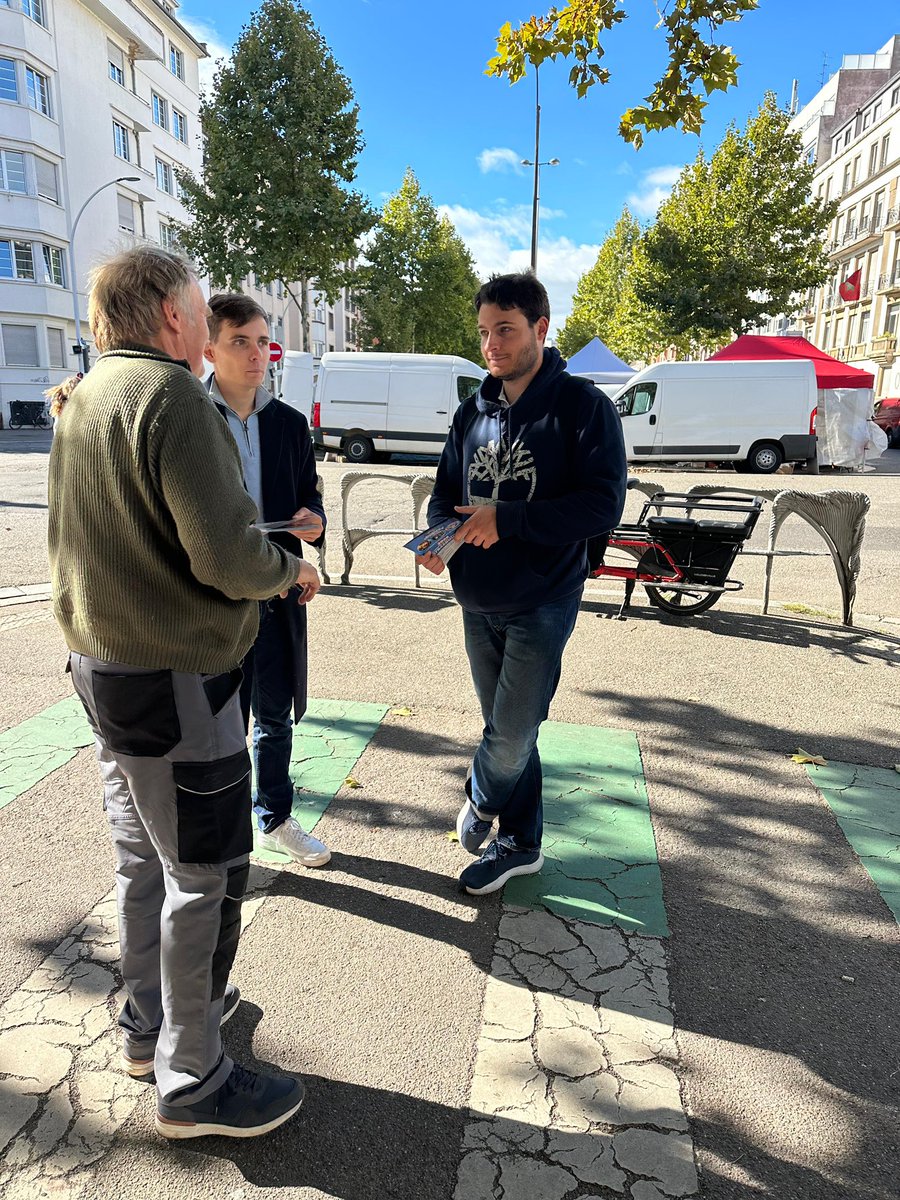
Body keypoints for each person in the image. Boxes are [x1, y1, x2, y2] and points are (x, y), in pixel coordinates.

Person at [47, 246, 317, 1140]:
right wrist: (287, 569)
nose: (207, 324)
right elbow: (224, 555)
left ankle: (149, 1025)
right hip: (178, 681)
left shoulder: (85, 398)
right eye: (201, 309)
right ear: (172, 314)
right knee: (207, 875)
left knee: (142, 862)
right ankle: (193, 1078)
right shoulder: (171, 398)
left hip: (103, 673)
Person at [419, 273, 627, 896]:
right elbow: (444, 498)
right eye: (484, 332)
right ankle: (522, 843)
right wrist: (438, 540)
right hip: (475, 599)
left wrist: (505, 520)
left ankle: (483, 799)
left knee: (508, 736)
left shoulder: (585, 407)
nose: (491, 345)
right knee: (512, 729)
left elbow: (601, 506)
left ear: (540, 329)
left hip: (542, 598)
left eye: (504, 330)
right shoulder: (471, 411)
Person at [204, 293, 329, 867]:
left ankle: (274, 815)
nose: (257, 355)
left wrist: (313, 523)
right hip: (212, 602)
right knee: (219, 725)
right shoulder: (190, 419)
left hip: (280, 594)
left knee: (274, 717)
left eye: (262, 342)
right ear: (209, 348)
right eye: (240, 342)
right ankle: (225, 836)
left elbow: (310, 498)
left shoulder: (289, 424)